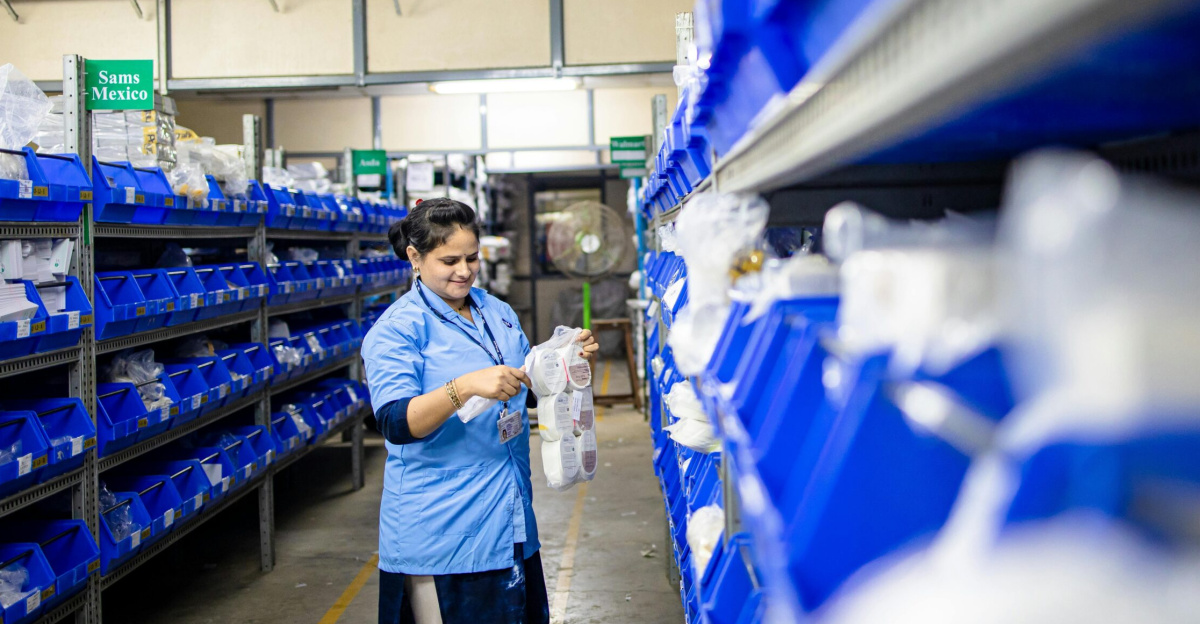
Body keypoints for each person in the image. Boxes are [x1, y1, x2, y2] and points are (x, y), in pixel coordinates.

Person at [362, 198, 599, 624]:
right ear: (415, 257)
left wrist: (567, 363)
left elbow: (528, 389)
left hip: (508, 516)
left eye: (472, 258)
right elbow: (396, 423)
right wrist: (463, 387)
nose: (465, 270)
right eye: (449, 260)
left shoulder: (496, 310)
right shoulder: (397, 329)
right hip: (443, 532)